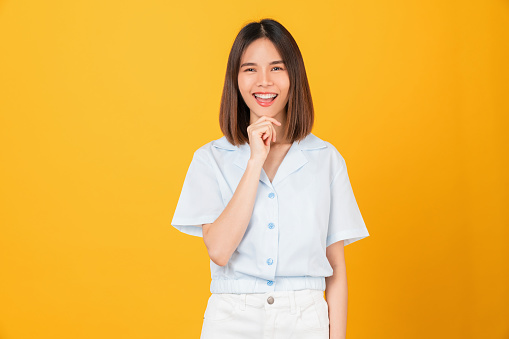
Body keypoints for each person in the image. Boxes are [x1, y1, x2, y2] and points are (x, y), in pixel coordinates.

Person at [171, 18, 369, 339]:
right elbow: (219, 250)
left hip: (305, 320)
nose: (264, 82)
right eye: (250, 69)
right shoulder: (210, 159)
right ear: (235, 79)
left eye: (277, 68)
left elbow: (337, 272)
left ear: (294, 76)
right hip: (231, 320)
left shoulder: (326, 159)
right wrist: (255, 161)